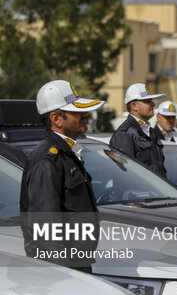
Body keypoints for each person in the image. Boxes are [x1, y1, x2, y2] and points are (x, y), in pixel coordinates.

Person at [20, 80, 104, 272]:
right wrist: (63, 276)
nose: (85, 115)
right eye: (76, 111)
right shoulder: (47, 159)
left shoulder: (66, 153)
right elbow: (45, 228)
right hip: (63, 271)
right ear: (56, 119)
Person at [110, 83, 167, 176]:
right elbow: (125, 173)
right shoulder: (124, 134)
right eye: (147, 101)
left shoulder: (151, 132)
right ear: (134, 106)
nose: (153, 104)